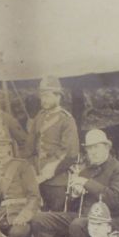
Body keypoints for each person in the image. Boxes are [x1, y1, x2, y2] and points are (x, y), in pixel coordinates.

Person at [20, 75, 79, 212]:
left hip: (57, 182)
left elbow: (70, 153)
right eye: (42, 96)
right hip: (36, 179)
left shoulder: (67, 120)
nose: (43, 100)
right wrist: (31, 171)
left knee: (54, 221)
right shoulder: (39, 117)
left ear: (58, 96)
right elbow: (29, 149)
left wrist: (48, 172)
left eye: (47, 96)